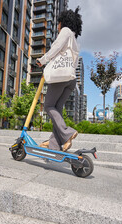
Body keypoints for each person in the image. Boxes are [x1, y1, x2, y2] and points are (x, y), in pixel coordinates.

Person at [36, 7, 82, 152]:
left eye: (58, 23)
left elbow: (55, 48)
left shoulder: (66, 31)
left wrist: (42, 60)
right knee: (57, 109)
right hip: (71, 79)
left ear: (64, 22)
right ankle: (55, 145)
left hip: (61, 78)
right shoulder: (74, 40)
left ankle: (67, 132)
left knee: (48, 106)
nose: (57, 26)